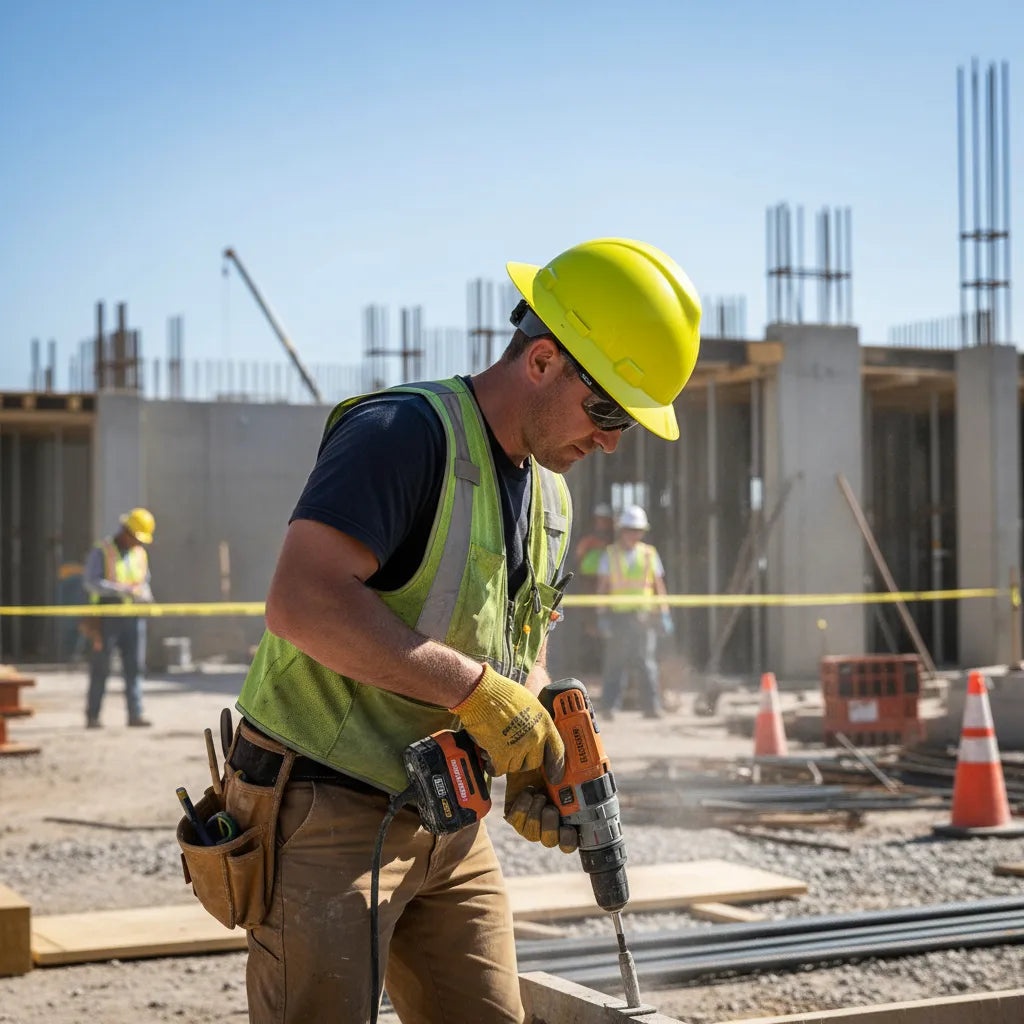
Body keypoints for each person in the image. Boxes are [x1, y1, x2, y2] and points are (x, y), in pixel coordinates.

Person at [228, 237, 701, 1023]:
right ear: (543, 360)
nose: (613, 440)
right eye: (608, 409)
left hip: (449, 813)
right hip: (326, 807)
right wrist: (479, 693)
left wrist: (535, 739)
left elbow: (525, 645)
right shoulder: (402, 434)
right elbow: (301, 602)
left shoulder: (552, 497)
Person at [596, 504, 673, 719]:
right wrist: (602, 616)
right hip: (619, 617)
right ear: (622, 530)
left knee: (646, 663)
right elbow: (602, 588)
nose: (635, 534)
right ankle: (610, 708)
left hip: (643, 617)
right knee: (615, 663)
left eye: (638, 530)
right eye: (631, 529)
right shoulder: (610, 554)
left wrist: (664, 612)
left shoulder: (649, 554)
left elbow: (659, 585)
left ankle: (651, 708)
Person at [81, 507, 156, 728]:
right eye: (136, 538)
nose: (138, 543)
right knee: (101, 667)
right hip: (105, 617)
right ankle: (93, 716)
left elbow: (144, 582)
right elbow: (90, 582)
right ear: (126, 531)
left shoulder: (140, 553)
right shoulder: (102, 550)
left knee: (134, 667)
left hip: (133, 617)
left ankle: (135, 714)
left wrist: (146, 595)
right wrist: (122, 590)